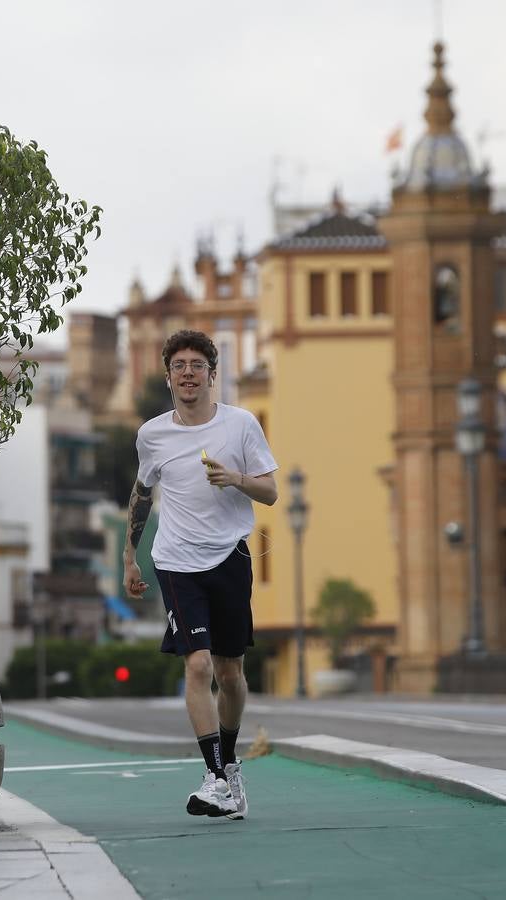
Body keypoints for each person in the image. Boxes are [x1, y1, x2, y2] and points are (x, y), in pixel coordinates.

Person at [124, 330, 278, 820]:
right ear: (168, 377)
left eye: (196, 365)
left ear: (212, 374)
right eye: (178, 365)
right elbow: (142, 492)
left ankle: (230, 768)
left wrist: (235, 478)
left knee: (231, 674)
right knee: (197, 666)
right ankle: (214, 776)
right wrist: (130, 556)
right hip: (175, 561)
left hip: (229, 557)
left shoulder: (241, 425)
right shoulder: (152, 435)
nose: (187, 373)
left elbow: (271, 492)